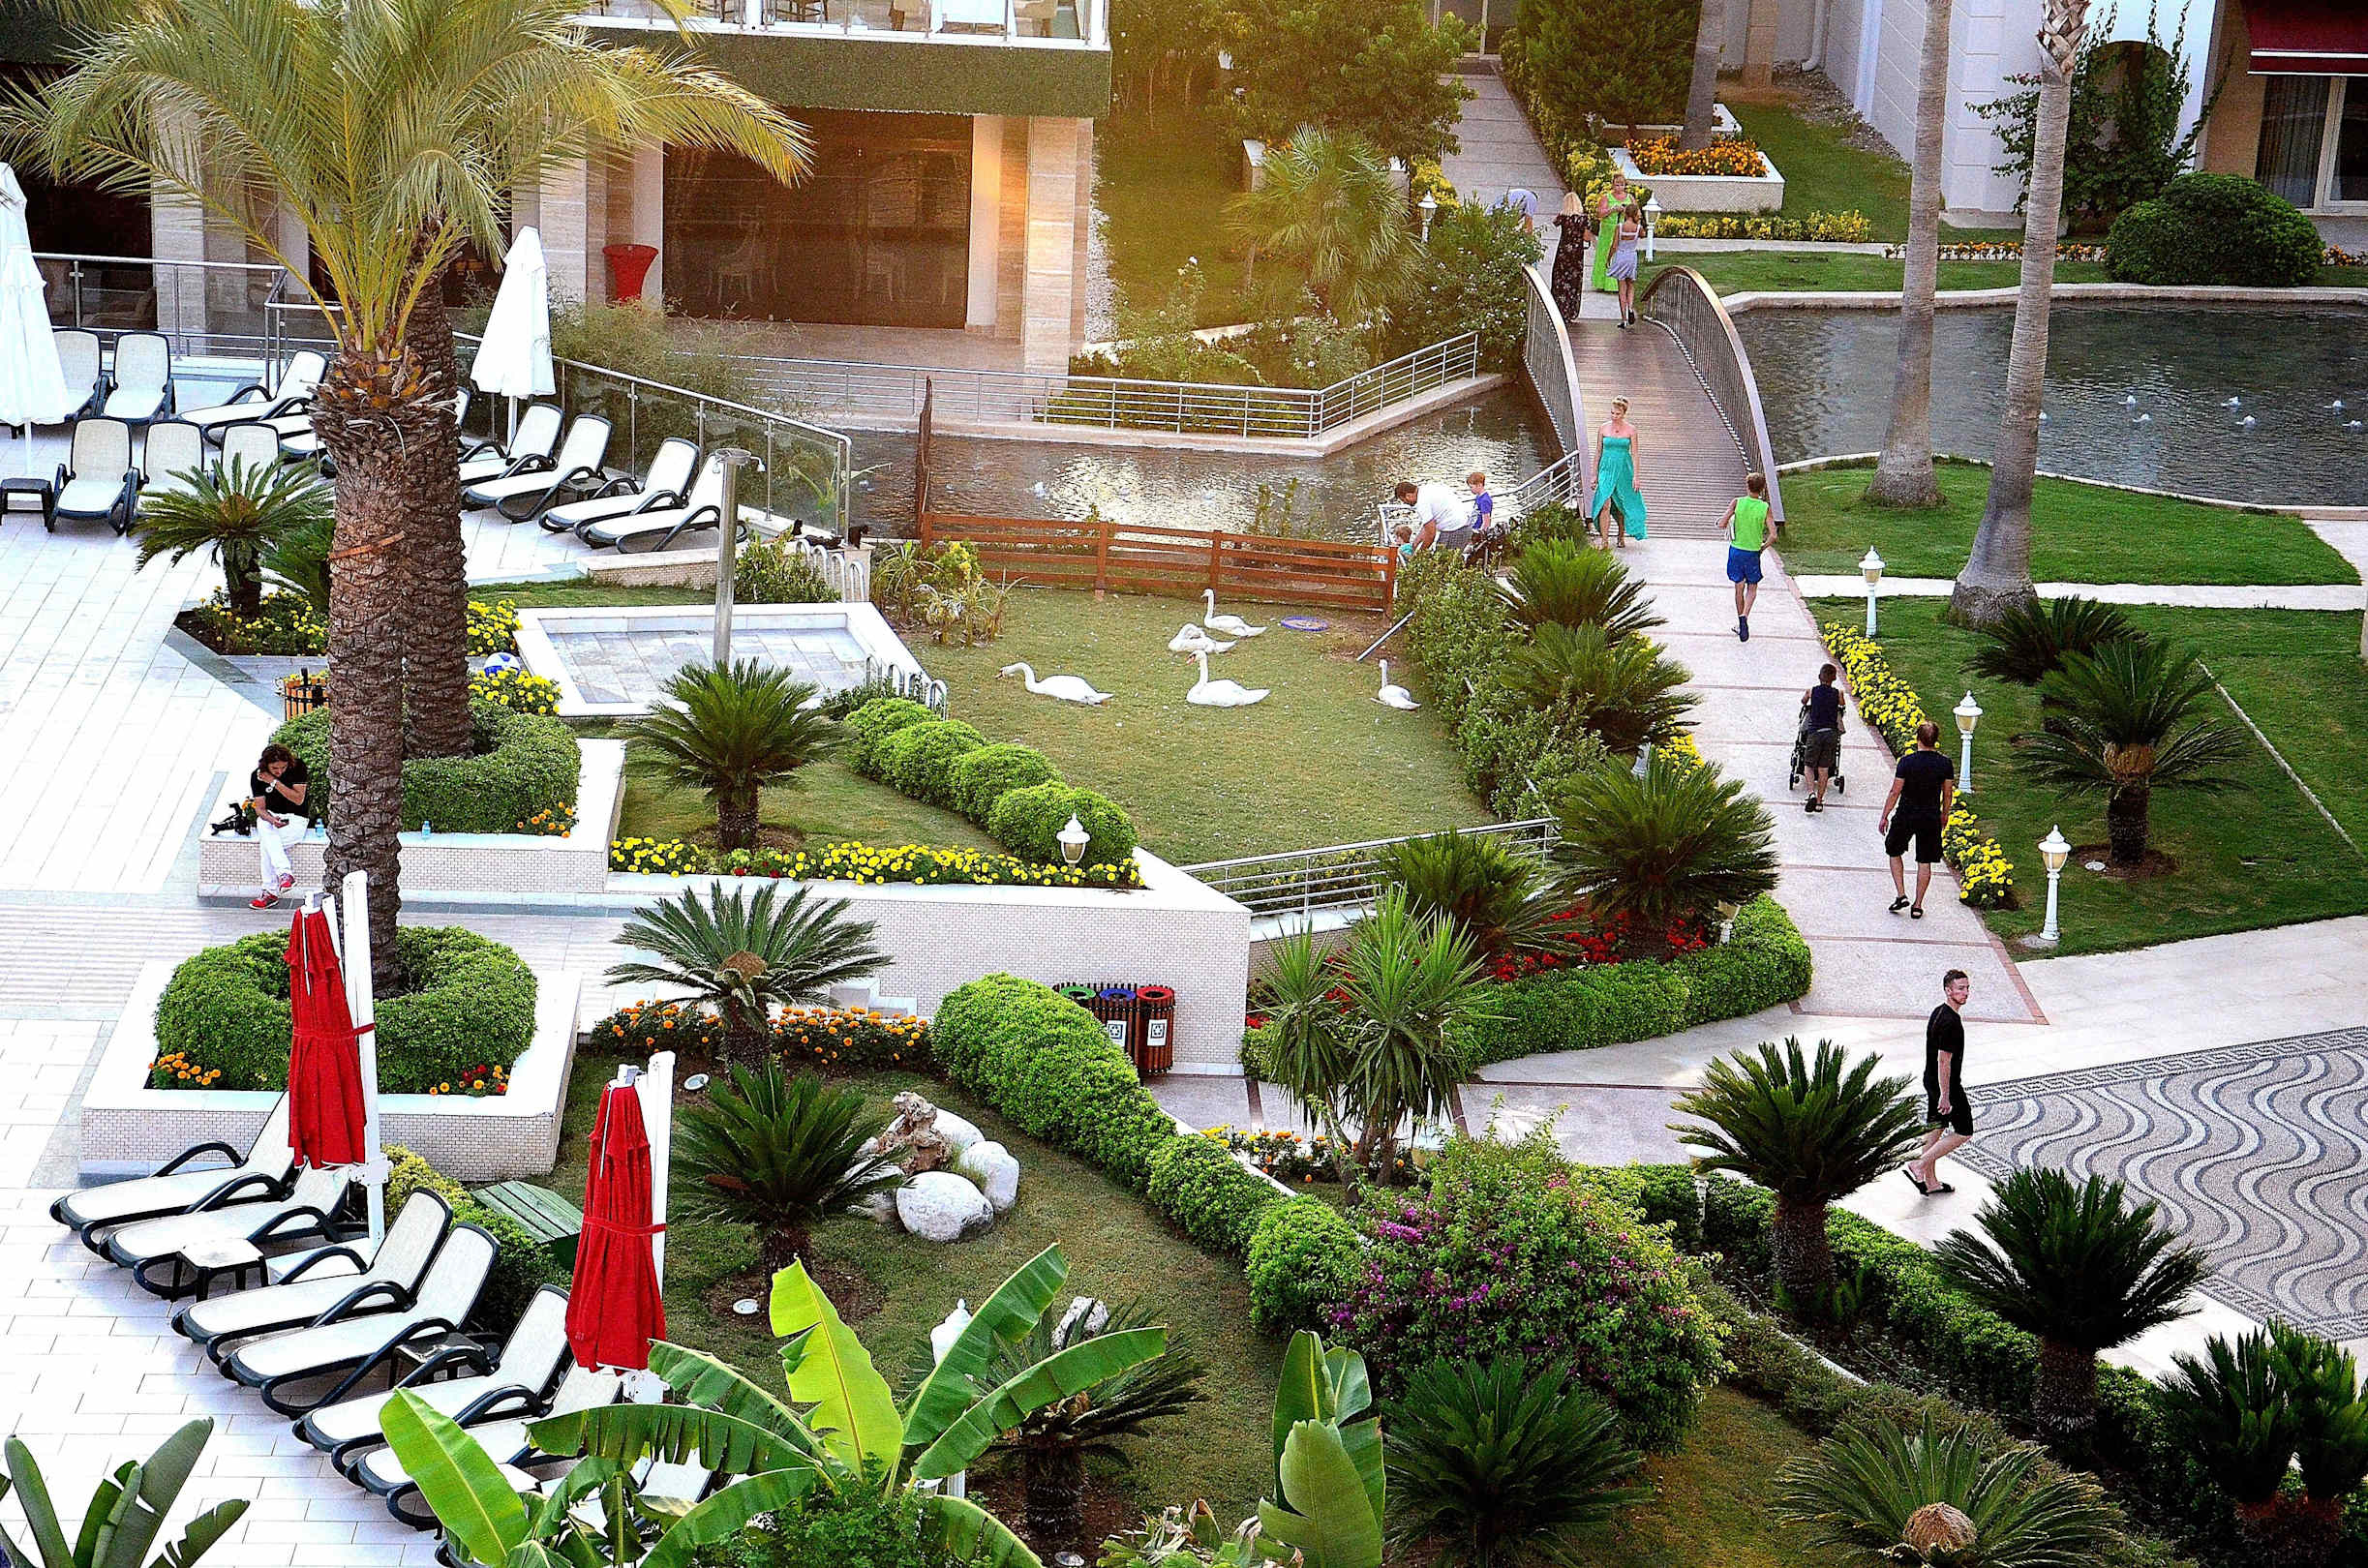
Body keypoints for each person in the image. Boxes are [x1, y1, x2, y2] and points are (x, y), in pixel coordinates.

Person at [1878, 719, 1957, 919]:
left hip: (1906, 814)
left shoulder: (1907, 762)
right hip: (1930, 816)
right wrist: (1945, 814)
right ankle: (1918, 905)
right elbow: (1947, 793)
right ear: (1936, 740)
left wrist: (1885, 815)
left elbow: (1895, 791)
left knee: (1893, 850)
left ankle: (1901, 894)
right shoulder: (1945, 764)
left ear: (1917, 739)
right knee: (1925, 860)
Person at [1905, 969, 1974, 1195]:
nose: (1966, 993)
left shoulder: (1938, 1012)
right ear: (1948, 991)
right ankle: (1920, 1164)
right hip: (1947, 1085)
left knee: (1937, 1126)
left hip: (1931, 1080)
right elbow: (1944, 1061)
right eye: (1960, 988)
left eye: (1967, 988)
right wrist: (1945, 1095)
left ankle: (1930, 1182)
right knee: (1964, 1131)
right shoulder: (1951, 1022)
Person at [249, 742, 313, 910]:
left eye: (283, 767)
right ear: (266, 765)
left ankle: (270, 892)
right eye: (274, 768)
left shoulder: (297, 767)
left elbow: (298, 799)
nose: (279, 771)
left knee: (267, 845)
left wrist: (273, 782)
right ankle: (284, 874)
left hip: (296, 819)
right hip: (272, 819)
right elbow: (260, 809)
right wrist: (272, 820)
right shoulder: (257, 776)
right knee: (263, 824)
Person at [1590, 397, 1647, 549]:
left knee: (1621, 501)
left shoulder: (1631, 430)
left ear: (1624, 414)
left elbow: (1635, 454)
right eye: (1612, 413)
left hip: (1623, 468)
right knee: (1604, 503)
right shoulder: (1603, 428)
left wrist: (1636, 476)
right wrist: (1594, 474)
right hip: (1606, 468)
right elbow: (1598, 451)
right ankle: (1604, 540)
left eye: (1617, 414)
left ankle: (1621, 534)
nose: (1614, 416)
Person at [1721, 472, 1772, 641]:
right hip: (1753, 552)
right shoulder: (1764, 507)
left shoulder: (1737, 502)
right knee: (1752, 587)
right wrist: (1763, 547)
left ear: (1747, 486)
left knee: (1739, 586)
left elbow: (1722, 523)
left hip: (1736, 551)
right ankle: (1745, 616)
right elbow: (1773, 535)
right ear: (1762, 488)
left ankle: (1739, 621)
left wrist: (1723, 522)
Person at [1801, 663, 1843, 813]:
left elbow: (1803, 701)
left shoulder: (1812, 691)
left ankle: (1811, 794)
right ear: (1834, 678)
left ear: (1819, 677)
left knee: (1808, 766)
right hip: (1831, 733)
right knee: (1823, 769)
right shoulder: (1838, 693)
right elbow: (1842, 705)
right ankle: (1819, 802)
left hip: (1815, 733)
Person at [1392, 478, 1472, 553]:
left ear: (1408, 496)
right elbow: (1427, 527)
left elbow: (1431, 535)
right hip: (1462, 525)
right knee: (1440, 555)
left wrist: (1420, 553)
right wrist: (1415, 544)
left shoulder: (1422, 503)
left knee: (1444, 560)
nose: (1405, 503)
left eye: (1403, 500)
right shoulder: (1426, 489)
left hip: (1456, 530)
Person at [1551, 191, 1593, 317]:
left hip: (1563, 252)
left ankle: (1559, 308)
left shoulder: (1563, 217)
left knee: (1559, 280)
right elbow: (1587, 238)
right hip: (1576, 253)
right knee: (1574, 281)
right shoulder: (1584, 219)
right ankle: (1571, 310)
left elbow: (1554, 222)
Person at [1591, 171, 1631, 296]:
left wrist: (1626, 211)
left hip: (1623, 231)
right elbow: (1600, 214)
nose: (1619, 187)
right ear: (1612, 185)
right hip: (1608, 231)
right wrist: (1612, 209)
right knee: (1606, 254)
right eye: (1617, 185)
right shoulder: (1606, 197)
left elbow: (1637, 214)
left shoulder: (1630, 198)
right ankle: (1603, 283)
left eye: (1622, 185)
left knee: (1620, 255)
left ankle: (1619, 284)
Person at [1607, 195, 1643, 327]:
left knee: (1622, 288)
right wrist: (1638, 223)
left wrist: (1609, 258)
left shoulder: (1620, 227)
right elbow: (1643, 235)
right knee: (1631, 284)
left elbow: (1614, 245)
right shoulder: (1638, 228)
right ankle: (1630, 307)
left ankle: (1624, 319)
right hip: (1631, 256)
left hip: (1621, 256)